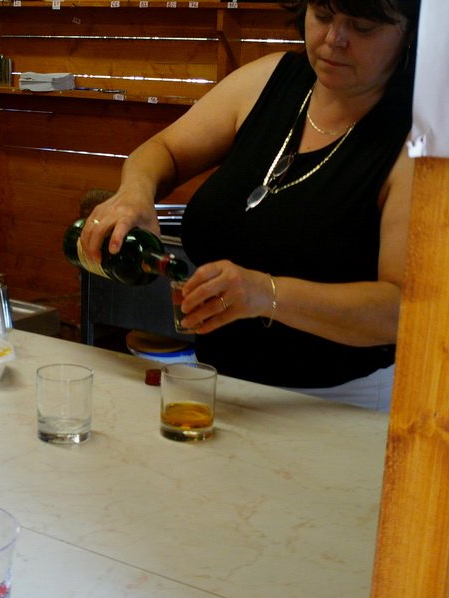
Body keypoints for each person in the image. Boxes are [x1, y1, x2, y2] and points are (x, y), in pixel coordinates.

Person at [81, 0, 421, 412]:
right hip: (217, 383)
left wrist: (267, 294)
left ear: (408, 32)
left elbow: (398, 309)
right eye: (322, 16)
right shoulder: (271, 79)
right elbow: (164, 149)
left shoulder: (416, 137)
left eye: (362, 26)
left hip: (335, 404)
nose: (334, 39)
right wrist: (135, 192)